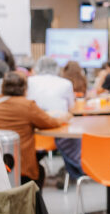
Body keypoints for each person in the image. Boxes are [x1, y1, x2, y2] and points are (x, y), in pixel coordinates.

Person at [0, 72, 70, 190]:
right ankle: (33, 206)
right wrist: (65, 117)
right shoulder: (27, 105)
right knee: (40, 172)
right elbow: (50, 123)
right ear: (24, 88)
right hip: (21, 164)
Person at [27, 56, 85, 184]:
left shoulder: (29, 82)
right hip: (61, 133)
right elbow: (71, 108)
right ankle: (73, 170)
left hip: (35, 135)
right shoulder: (65, 83)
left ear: (38, 67)